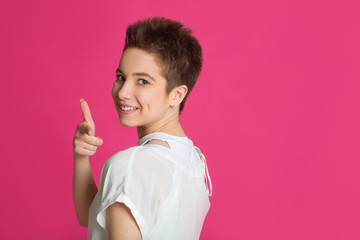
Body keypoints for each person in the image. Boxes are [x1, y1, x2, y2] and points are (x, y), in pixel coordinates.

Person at [72, 16, 212, 240]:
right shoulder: (195, 161)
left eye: (142, 81)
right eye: (121, 77)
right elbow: (88, 215)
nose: (122, 91)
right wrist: (81, 156)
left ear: (177, 95)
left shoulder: (130, 166)